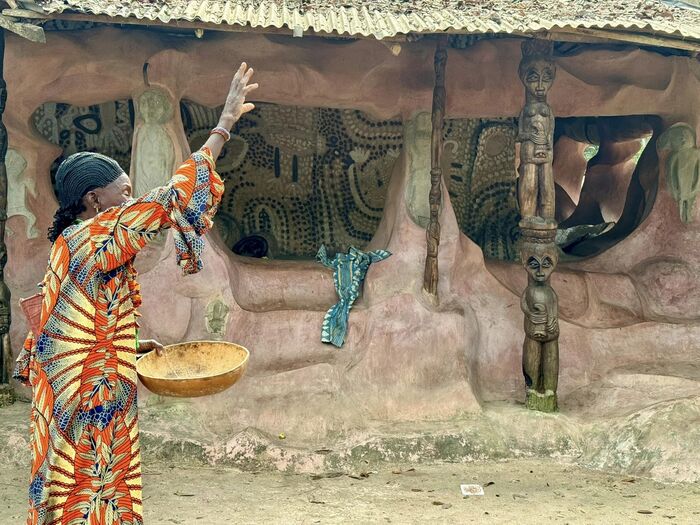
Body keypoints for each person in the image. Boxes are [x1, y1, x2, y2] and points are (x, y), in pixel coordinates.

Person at [13, 63, 257, 525]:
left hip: (89, 380)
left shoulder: (76, 244)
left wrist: (130, 345)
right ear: (94, 201)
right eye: (123, 194)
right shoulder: (94, 238)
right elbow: (171, 199)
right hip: (87, 392)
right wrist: (223, 125)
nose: (130, 202)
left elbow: (70, 324)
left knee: (89, 483)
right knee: (87, 483)